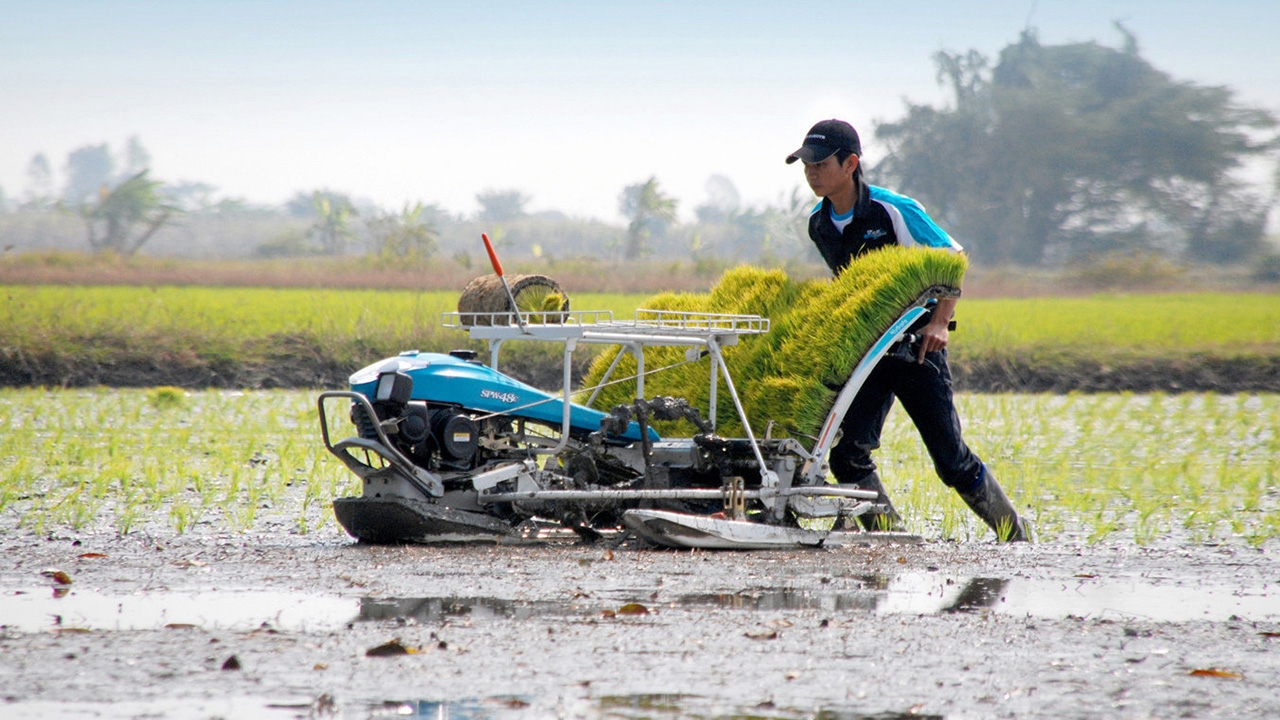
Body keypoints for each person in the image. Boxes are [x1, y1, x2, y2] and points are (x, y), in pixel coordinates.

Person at [786, 118, 1030, 542]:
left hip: (917, 348)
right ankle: (890, 537)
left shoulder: (893, 210)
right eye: (806, 165)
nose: (811, 173)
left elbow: (952, 258)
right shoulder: (819, 223)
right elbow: (849, 283)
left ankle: (1016, 536)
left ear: (850, 164)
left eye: (820, 164)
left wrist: (940, 323)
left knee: (951, 462)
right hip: (870, 352)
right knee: (847, 455)